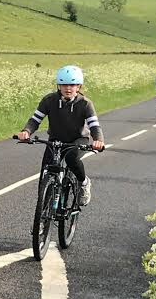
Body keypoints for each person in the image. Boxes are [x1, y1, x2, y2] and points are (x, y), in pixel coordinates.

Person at [16, 65, 104, 206]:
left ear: (78, 86)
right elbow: (35, 120)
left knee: (71, 158)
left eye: (72, 85)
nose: (68, 88)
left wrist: (98, 140)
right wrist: (26, 131)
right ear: (59, 86)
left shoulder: (85, 104)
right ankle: (43, 207)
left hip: (78, 139)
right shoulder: (49, 100)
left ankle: (83, 183)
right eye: (64, 85)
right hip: (55, 139)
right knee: (46, 170)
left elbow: (94, 125)